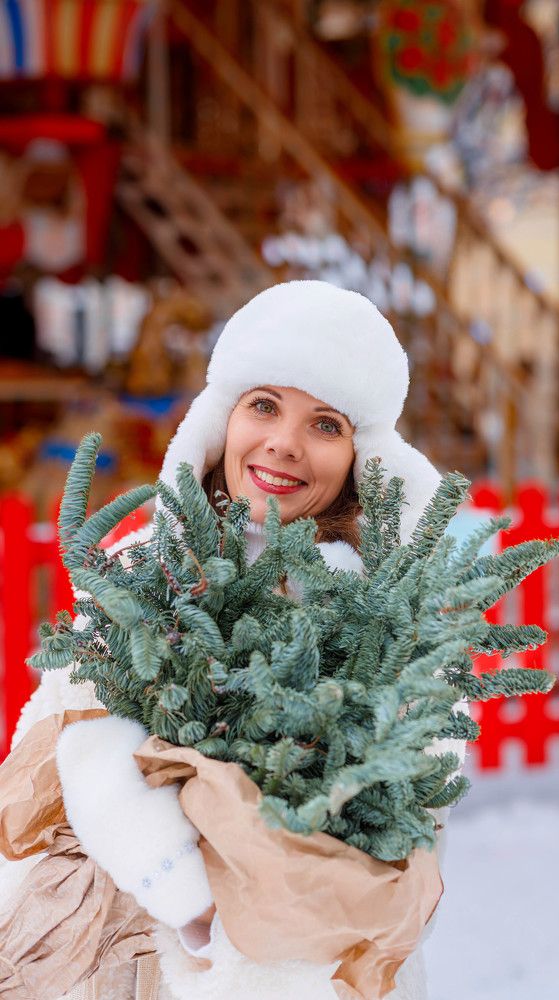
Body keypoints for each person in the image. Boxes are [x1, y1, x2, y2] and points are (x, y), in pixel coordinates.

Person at [0, 280, 465, 1000]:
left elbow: (422, 777)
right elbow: (83, 740)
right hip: (141, 937)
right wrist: (191, 897)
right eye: (265, 405)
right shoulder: (146, 569)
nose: (283, 442)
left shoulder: (382, 605)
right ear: (222, 418)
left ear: (359, 454)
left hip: (317, 951)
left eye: (326, 424)